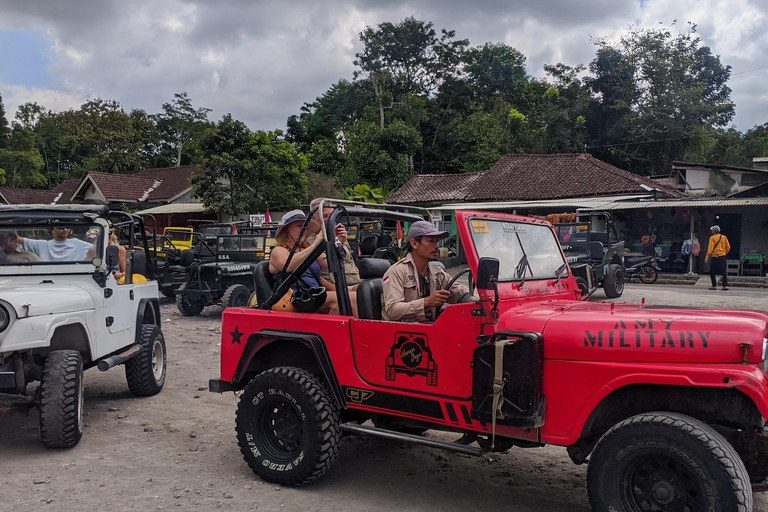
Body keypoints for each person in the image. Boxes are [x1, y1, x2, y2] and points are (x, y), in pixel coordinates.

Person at [268, 209, 357, 316]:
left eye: (305, 227)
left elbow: (328, 263)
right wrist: (315, 245)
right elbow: (288, 266)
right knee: (350, 300)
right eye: (299, 226)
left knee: (362, 293)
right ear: (286, 230)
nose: (304, 230)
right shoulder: (278, 251)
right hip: (297, 298)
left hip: (316, 295)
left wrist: (338, 242)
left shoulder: (305, 249)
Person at [381, 220, 469, 322]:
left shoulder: (437, 273)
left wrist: (478, 301)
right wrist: (426, 302)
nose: (436, 246)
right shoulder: (397, 272)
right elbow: (392, 311)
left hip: (429, 330)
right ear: (414, 243)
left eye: (436, 241)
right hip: (404, 333)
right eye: (430, 241)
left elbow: (458, 292)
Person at [308, 198, 361, 290]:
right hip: (335, 286)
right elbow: (327, 262)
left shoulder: (337, 235)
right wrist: (338, 242)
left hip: (353, 281)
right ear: (313, 218)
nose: (330, 219)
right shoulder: (309, 241)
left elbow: (349, 260)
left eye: (332, 215)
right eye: (325, 216)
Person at [17, 226, 95, 262]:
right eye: (60, 228)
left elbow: (96, 248)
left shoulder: (77, 243)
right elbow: (18, 239)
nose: (64, 230)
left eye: (66, 228)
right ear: (53, 230)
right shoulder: (44, 245)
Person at [704, 225, 731, 291]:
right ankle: (724, 285)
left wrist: (707, 256)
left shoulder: (712, 238)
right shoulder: (724, 237)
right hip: (722, 256)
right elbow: (728, 247)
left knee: (712, 271)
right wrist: (724, 252)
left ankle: (714, 285)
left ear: (713, 231)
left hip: (715, 256)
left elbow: (710, 248)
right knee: (723, 271)